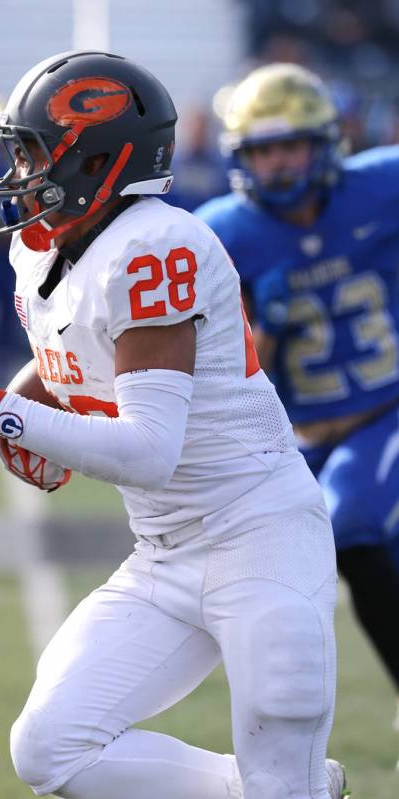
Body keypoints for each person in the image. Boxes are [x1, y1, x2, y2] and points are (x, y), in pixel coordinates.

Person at [0, 50, 348, 799]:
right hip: (165, 551)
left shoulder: (157, 244)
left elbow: (149, 449)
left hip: (260, 533)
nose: (19, 173)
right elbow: (74, 355)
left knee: (283, 766)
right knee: (51, 749)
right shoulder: (41, 245)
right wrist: (31, 405)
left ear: (92, 158)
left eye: (31, 152)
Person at [195, 62, 399, 752]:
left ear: (323, 142)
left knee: (355, 522)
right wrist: (265, 326)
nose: (277, 163)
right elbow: (214, 360)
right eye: (261, 149)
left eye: (289, 146)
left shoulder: (380, 187)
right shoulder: (220, 230)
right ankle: (279, 741)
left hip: (383, 406)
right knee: (254, 577)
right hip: (291, 434)